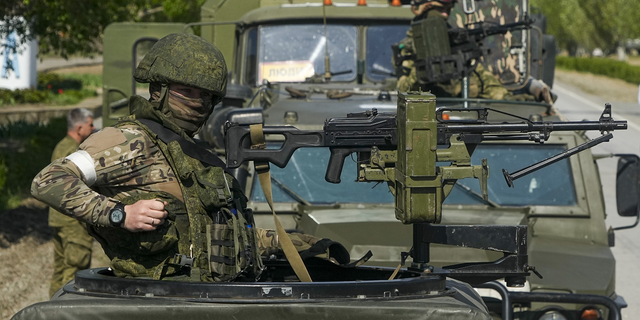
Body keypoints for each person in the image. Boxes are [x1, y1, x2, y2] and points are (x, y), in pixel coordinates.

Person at [31, 33, 347, 283]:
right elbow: (49, 181)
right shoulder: (129, 139)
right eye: (188, 91)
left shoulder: (191, 155)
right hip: (158, 299)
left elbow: (218, 235)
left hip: (207, 295)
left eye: (207, 96)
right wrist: (120, 214)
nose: (199, 103)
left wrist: (289, 244)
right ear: (159, 90)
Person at [395, 0, 554, 104]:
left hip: (462, 117)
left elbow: (486, 83)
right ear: (424, 8)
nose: (445, 13)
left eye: (448, 8)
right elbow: (403, 89)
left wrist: (510, 101)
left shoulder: (457, 48)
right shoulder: (410, 47)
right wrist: (425, 67)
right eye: (440, 8)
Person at [47, 108, 94, 296]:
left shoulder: (60, 146)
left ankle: (50, 309)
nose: (94, 128)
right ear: (79, 127)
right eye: (90, 125)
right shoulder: (73, 151)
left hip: (59, 218)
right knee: (74, 274)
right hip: (72, 221)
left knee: (59, 271)